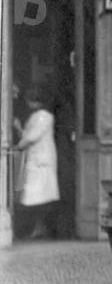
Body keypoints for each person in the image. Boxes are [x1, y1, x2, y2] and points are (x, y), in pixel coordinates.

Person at [14, 87, 60, 240]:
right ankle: (38, 228)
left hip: (41, 161)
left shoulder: (43, 116)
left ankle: (40, 228)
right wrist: (20, 129)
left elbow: (32, 137)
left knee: (37, 196)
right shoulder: (37, 116)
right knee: (34, 196)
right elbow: (27, 135)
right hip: (36, 160)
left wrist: (19, 145)